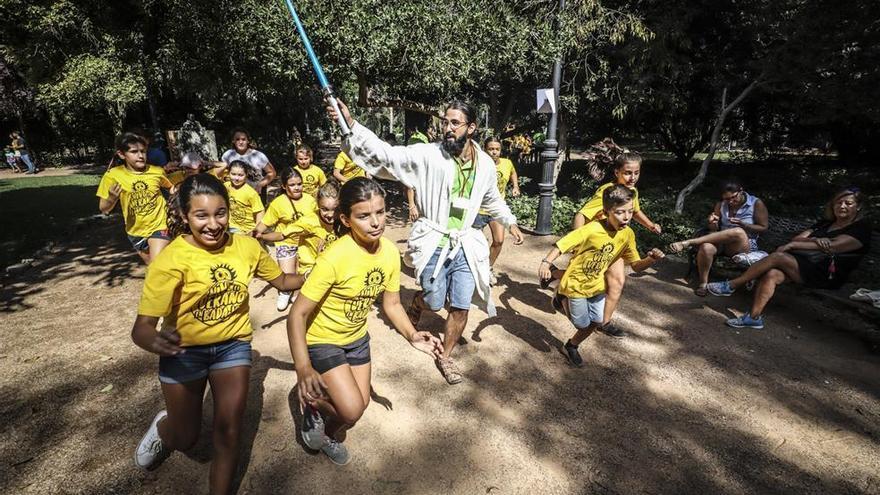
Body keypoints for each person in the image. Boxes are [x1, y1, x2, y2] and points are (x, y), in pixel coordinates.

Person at [327, 98, 524, 385]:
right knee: (434, 299)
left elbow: (492, 197)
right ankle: (419, 304)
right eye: (445, 121)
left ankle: (446, 356)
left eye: (454, 122)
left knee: (460, 306)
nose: (447, 127)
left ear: (471, 127)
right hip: (434, 238)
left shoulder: (485, 165)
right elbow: (387, 155)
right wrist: (351, 124)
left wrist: (509, 220)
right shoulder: (428, 155)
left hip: (466, 242)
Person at [131, 174, 304, 493]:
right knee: (186, 437)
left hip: (232, 347)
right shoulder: (171, 259)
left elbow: (282, 281)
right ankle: (164, 427)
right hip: (183, 352)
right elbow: (141, 328)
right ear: (185, 216)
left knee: (228, 432)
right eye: (201, 215)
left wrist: (315, 276)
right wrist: (153, 340)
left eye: (220, 213)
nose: (213, 224)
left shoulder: (247, 247)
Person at [288, 177, 443, 465]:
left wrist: (413, 335)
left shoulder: (389, 254)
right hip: (323, 340)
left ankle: (326, 435)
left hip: (357, 339)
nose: (375, 222)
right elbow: (296, 314)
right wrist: (303, 369)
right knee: (351, 410)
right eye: (364, 215)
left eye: (380, 212)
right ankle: (311, 400)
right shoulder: (334, 258)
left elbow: (393, 304)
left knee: (361, 405)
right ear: (345, 219)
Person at [706, 187, 871, 329]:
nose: (842, 206)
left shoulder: (860, 229)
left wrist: (794, 246)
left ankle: (732, 285)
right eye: (838, 203)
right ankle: (754, 318)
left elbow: (834, 245)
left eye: (848, 203)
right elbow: (798, 239)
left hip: (826, 274)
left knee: (778, 257)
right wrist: (814, 240)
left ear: (859, 206)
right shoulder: (825, 224)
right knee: (773, 274)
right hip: (802, 265)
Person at [538, 185, 665, 367]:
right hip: (575, 285)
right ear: (606, 211)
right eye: (620, 212)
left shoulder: (627, 234)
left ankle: (571, 346)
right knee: (581, 324)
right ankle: (560, 297)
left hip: (597, 286)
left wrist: (650, 259)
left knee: (597, 322)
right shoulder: (591, 229)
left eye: (630, 212)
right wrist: (545, 262)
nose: (627, 217)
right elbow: (562, 245)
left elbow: (636, 266)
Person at [562, 151, 661, 337]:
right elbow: (581, 214)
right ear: (617, 172)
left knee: (617, 282)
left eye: (636, 173)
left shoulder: (633, 191)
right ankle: (556, 280)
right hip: (596, 243)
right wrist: (577, 244)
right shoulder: (606, 192)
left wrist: (650, 225)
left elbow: (636, 211)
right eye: (627, 173)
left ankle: (603, 322)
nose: (632, 177)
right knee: (584, 275)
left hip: (617, 241)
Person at [667, 181, 769, 296]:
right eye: (726, 199)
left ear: (741, 190)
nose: (730, 201)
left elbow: (764, 227)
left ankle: (689, 242)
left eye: (733, 197)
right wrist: (713, 223)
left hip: (743, 245)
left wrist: (744, 225)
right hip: (722, 241)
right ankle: (703, 284)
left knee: (738, 231)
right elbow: (714, 230)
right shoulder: (721, 205)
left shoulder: (756, 203)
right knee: (706, 247)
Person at [97, 132, 174, 264]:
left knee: (157, 265)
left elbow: (171, 187)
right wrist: (111, 198)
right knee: (153, 269)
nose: (140, 156)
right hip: (135, 231)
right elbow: (104, 209)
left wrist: (177, 199)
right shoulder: (112, 176)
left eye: (143, 151)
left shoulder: (156, 171)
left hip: (160, 225)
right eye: (134, 152)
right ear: (121, 154)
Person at [255, 167, 319, 311]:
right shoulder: (278, 203)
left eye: (299, 184)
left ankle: (300, 294)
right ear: (284, 186)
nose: (297, 188)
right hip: (285, 242)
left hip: (306, 243)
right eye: (292, 185)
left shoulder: (310, 200)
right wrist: (255, 233)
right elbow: (265, 223)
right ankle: (284, 293)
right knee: (287, 277)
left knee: (305, 274)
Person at [260, 181, 340, 276]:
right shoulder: (308, 221)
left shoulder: (343, 221)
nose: (330, 214)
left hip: (334, 267)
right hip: (311, 269)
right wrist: (261, 236)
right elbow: (282, 235)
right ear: (318, 205)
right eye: (325, 209)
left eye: (335, 209)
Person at [472, 136, 521, 284]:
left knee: (499, 241)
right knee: (474, 245)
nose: (494, 152)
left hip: (496, 210)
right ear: (485, 150)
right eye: (491, 149)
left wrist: (515, 186)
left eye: (497, 149)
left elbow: (513, 172)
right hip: (477, 210)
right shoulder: (477, 164)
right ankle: (471, 271)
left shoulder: (507, 163)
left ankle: (488, 268)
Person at [221, 128, 277, 198]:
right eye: (237, 139)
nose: (240, 142)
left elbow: (272, 173)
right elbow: (223, 171)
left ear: (248, 141)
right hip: (235, 193)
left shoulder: (258, 156)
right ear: (233, 141)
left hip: (255, 193)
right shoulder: (228, 155)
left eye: (243, 139)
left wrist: (260, 185)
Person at [225, 160, 265, 235]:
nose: (236, 178)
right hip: (232, 226)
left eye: (240, 175)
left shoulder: (250, 193)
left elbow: (260, 212)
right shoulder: (226, 186)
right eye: (233, 174)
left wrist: (256, 230)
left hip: (248, 230)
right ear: (228, 173)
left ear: (246, 175)